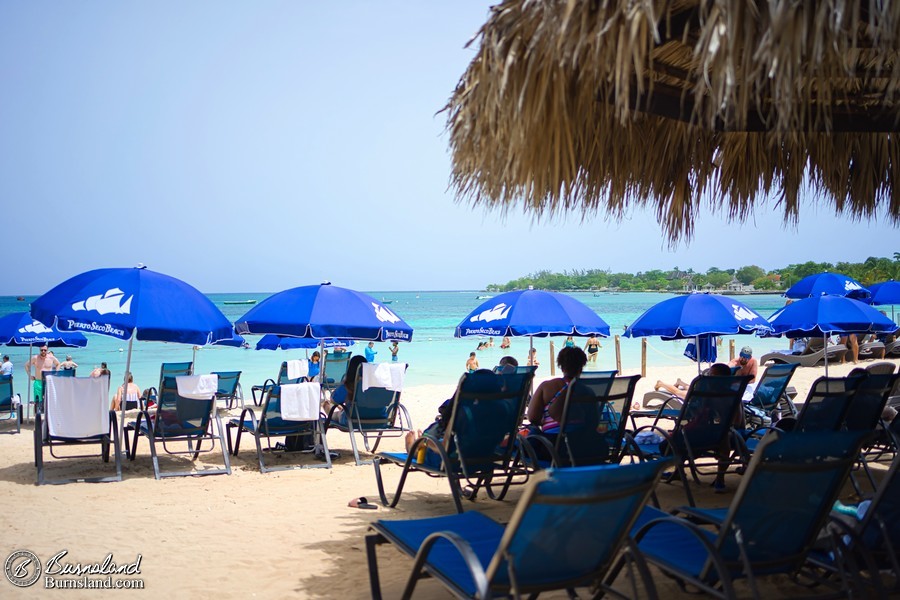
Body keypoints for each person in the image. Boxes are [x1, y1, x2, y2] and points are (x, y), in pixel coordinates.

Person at [525, 347, 588, 456]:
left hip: (554, 447)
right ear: (582, 366)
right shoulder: (588, 390)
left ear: (561, 366)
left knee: (531, 432)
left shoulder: (547, 386)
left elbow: (533, 418)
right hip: (584, 446)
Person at [324, 355, 367, 424]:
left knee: (327, 406)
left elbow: (334, 400)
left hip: (351, 419)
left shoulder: (349, 385)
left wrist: (344, 381)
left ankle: (334, 409)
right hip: (379, 417)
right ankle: (343, 409)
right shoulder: (376, 385)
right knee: (346, 409)